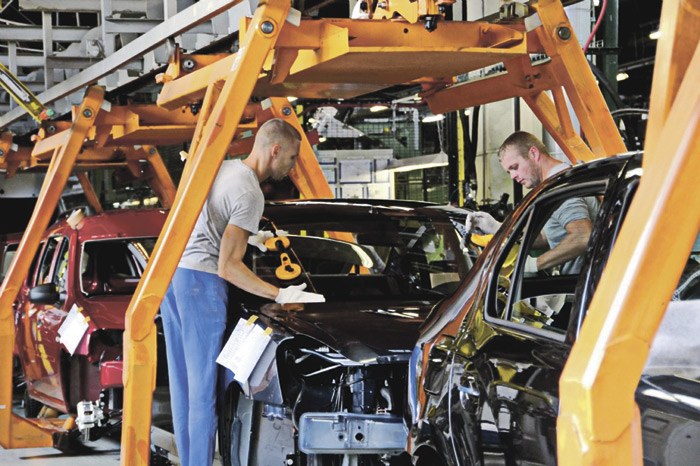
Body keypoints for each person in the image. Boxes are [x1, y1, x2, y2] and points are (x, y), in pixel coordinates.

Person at [160, 118, 325, 466]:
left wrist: (252, 238)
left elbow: (212, 221)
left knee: (185, 389)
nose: (292, 167)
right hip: (201, 283)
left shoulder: (226, 169)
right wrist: (280, 294)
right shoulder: (250, 193)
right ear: (275, 150)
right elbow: (228, 267)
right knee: (204, 393)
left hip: (174, 276)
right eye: (292, 158)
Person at [466, 131, 597, 275]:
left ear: (534, 153)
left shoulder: (560, 187)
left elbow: (583, 236)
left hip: (590, 282)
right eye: (509, 172)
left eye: (514, 167)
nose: (513, 176)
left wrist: (534, 264)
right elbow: (545, 237)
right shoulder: (555, 185)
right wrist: (498, 228)